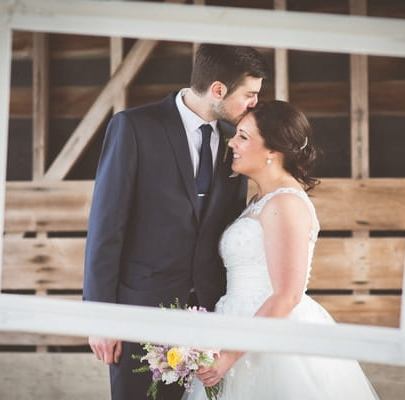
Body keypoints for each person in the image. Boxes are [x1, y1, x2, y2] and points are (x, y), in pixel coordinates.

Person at [82, 44, 268, 400]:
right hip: (139, 314)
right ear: (218, 90)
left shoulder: (237, 142)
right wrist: (99, 317)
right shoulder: (134, 127)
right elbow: (106, 227)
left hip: (212, 319)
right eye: (249, 94)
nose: (253, 104)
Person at [188, 100, 379, 399]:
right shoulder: (260, 200)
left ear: (272, 151)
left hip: (273, 334)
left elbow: (287, 294)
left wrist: (229, 355)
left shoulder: (285, 203)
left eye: (243, 137)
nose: (232, 143)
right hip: (237, 321)